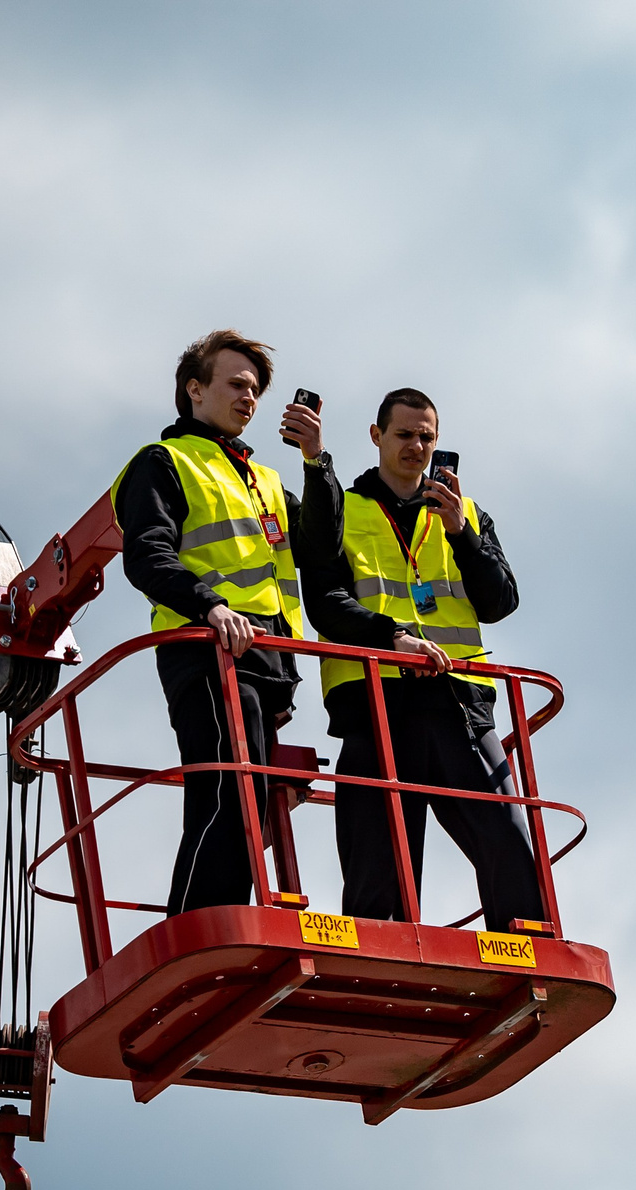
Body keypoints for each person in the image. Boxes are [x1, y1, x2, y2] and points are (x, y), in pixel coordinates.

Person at [113, 329, 339, 915]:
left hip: (267, 662)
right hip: (205, 652)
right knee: (227, 799)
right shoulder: (162, 462)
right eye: (237, 384)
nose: (250, 398)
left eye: (256, 389)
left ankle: (213, 927)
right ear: (195, 389)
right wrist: (210, 606)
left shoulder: (265, 480)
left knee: (247, 801)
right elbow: (146, 554)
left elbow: (321, 549)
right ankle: (198, 931)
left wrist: (316, 462)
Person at [301, 387, 545, 932]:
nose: (416, 446)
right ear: (376, 436)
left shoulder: (466, 514)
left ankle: (528, 949)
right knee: (378, 863)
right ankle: (378, 957)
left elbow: (500, 603)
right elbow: (325, 602)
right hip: (375, 701)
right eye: (405, 434)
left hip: (458, 702)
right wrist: (391, 639)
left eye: (427, 437)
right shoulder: (341, 508)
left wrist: (463, 534)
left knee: (507, 837)